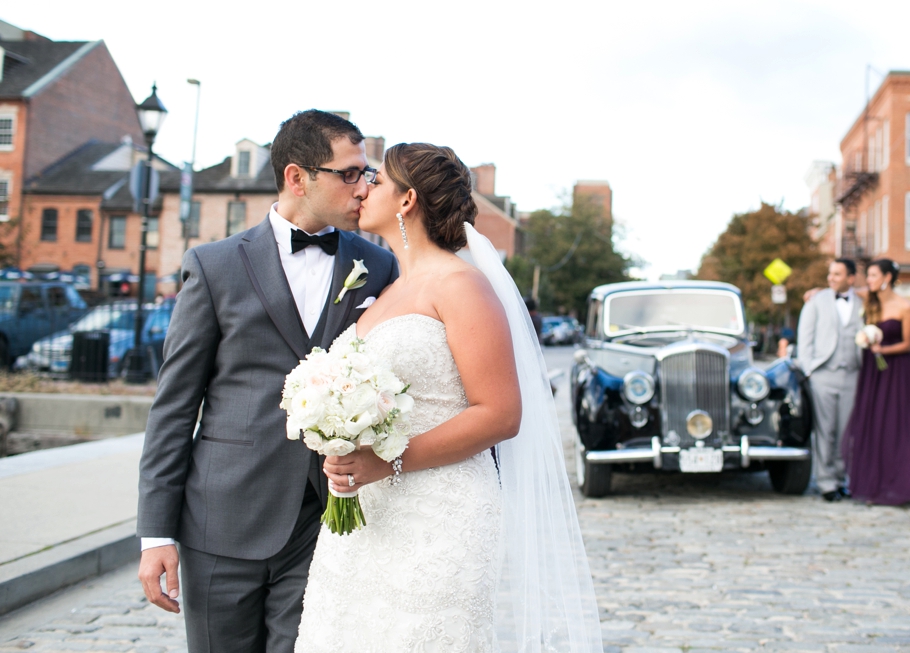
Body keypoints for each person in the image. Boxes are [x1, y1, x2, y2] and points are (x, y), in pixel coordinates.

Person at [294, 143, 603, 651]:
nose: (361, 187)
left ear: (407, 199)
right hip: (367, 516)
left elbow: (501, 414)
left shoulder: (462, 286)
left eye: (375, 179)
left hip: (439, 514)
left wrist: (385, 463)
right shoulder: (390, 290)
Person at [136, 110, 398, 652]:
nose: (364, 186)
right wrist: (155, 533)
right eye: (349, 173)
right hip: (221, 519)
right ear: (297, 177)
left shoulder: (378, 266)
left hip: (327, 518)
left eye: (367, 172)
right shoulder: (213, 266)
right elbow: (174, 407)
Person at [842, 259, 910, 505]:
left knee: (897, 424)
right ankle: (873, 484)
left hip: (897, 371)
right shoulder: (868, 301)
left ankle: (901, 487)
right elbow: (845, 291)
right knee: (872, 423)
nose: (869, 280)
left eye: (873, 275)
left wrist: (882, 349)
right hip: (872, 372)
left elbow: (909, 344)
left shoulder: (905, 307)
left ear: (886, 277)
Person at [796, 258, 862, 502]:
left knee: (847, 432)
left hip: (853, 375)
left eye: (837, 274)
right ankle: (826, 483)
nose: (831, 278)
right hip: (823, 374)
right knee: (825, 431)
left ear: (851, 278)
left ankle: (842, 478)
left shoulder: (862, 303)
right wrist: (809, 369)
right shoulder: (816, 301)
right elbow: (806, 337)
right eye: (830, 273)